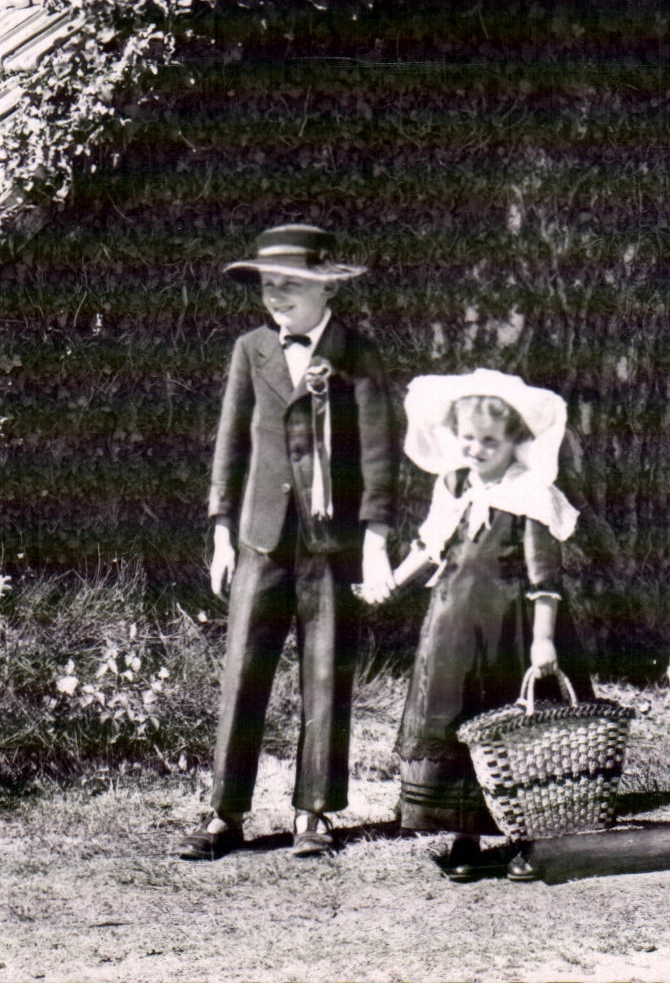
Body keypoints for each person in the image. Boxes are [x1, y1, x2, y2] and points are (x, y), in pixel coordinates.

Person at [177, 224, 397, 861]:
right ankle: (225, 811)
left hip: (329, 541)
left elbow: (380, 454)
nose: (277, 296)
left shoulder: (357, 354)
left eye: (290, 285)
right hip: (261, 538)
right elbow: (230, 444)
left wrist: (376, 537)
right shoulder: (251, 350)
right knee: (244, 667)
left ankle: (315, 813)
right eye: (269, 285)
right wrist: (221, 531)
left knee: (326, 670)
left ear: (324, 288)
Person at [374, 368, 590, 883]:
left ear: (513, 439)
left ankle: (521, 839)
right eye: (467, 438)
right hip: (452, 630)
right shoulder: (453, 485)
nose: (475, 449)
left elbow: (545, 578)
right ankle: (465, 835)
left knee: (513, 731)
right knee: (456, 722)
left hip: (508, 633)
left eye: (488, 441)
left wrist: (542, 640)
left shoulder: (531, 494)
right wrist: (390, 583)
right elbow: (430, 547)